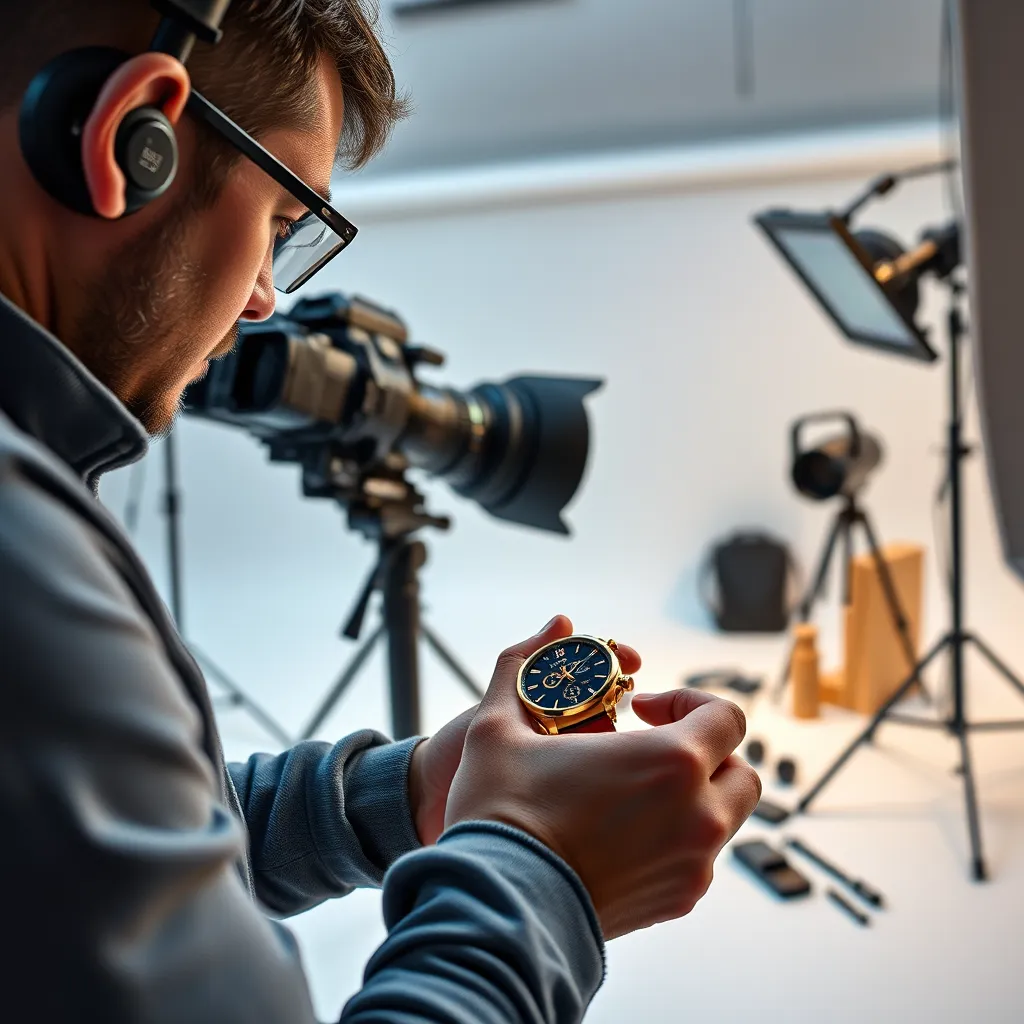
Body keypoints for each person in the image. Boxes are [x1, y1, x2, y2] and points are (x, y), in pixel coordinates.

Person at [0, 1, 762, 1021]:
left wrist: (403, 795)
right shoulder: (25, 554)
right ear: (129, 138)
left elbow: (64, 854)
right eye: (279, 221)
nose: (268, 295)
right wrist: (544, 874)